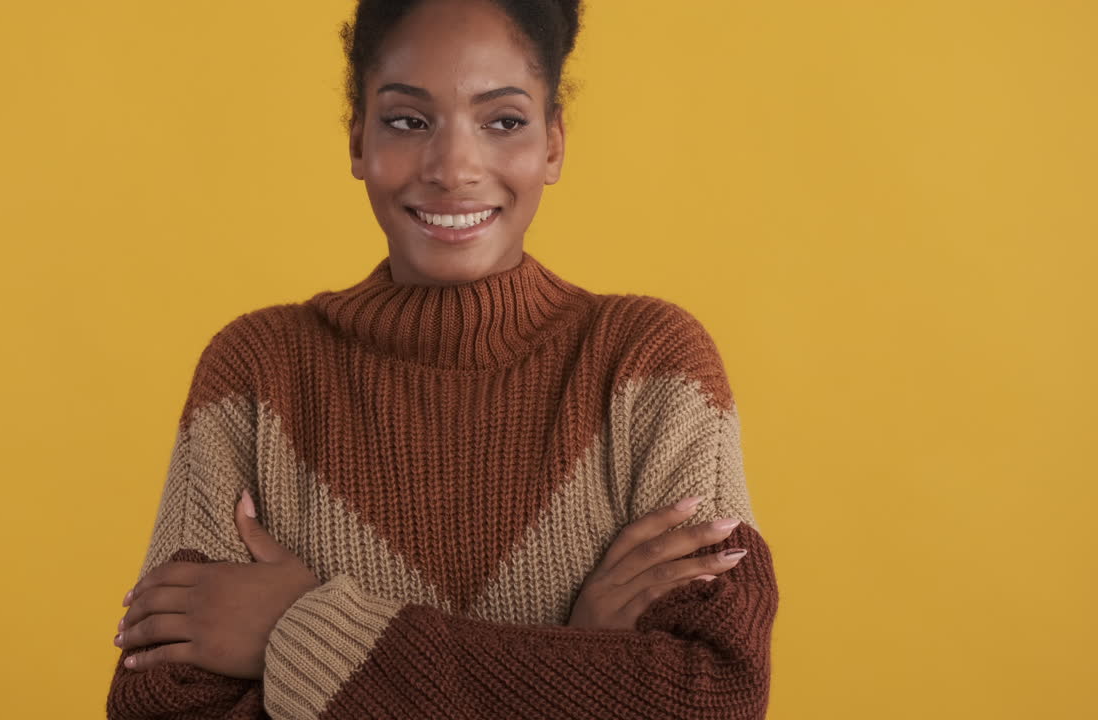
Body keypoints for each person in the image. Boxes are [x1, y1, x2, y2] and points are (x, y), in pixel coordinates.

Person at [106, 0, 779, 717]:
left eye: (503, 121)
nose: (454, 167)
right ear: (357, 137)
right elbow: (160, 707)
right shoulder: (256, 376)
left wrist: (300, 629)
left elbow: (717, 696)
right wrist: (576, 668)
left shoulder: (649, 369)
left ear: (553, 143)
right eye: (407, 121)